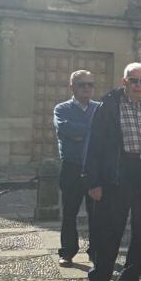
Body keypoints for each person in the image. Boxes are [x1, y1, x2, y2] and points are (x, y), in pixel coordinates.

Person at [83, 62, 141, 281]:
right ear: (124, 81)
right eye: (134, 80)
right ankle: (100, 279)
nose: (138, 85)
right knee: (111, 229)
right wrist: (92, 181)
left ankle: (131, 276)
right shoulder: (109, 105)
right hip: (118, 171)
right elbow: (94, 143)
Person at [53, 69, 99, 267]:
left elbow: (104, 134)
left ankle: (96, 251)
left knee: (97, 213)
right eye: (82, 84)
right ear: (72, 87)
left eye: (90, 84)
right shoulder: (62, 109)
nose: (87, 88)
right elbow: (67, 130)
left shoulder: (100, 108)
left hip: (95, 168)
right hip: (72, 167)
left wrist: (83, 133)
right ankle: (67, 251)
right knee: (69, 212)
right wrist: (91, 131)